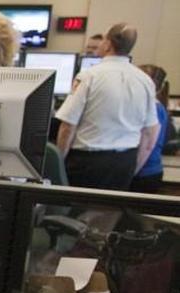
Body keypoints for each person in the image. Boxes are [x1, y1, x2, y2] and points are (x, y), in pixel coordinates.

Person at [55, 23, 160, 191]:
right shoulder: (145, 80)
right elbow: (150, 134)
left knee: (76, 212)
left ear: (108, 44)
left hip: (87, 163)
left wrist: (58, 163)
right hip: (125, 161)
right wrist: (133, 167)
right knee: (109, 213)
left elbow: (68, 126)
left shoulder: (89, 76)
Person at [130, 64, 171, 194]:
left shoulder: (154, 108)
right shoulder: (151, 105)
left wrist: (130, 173)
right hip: (144, 171)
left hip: (143, 172)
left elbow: (147, 145)